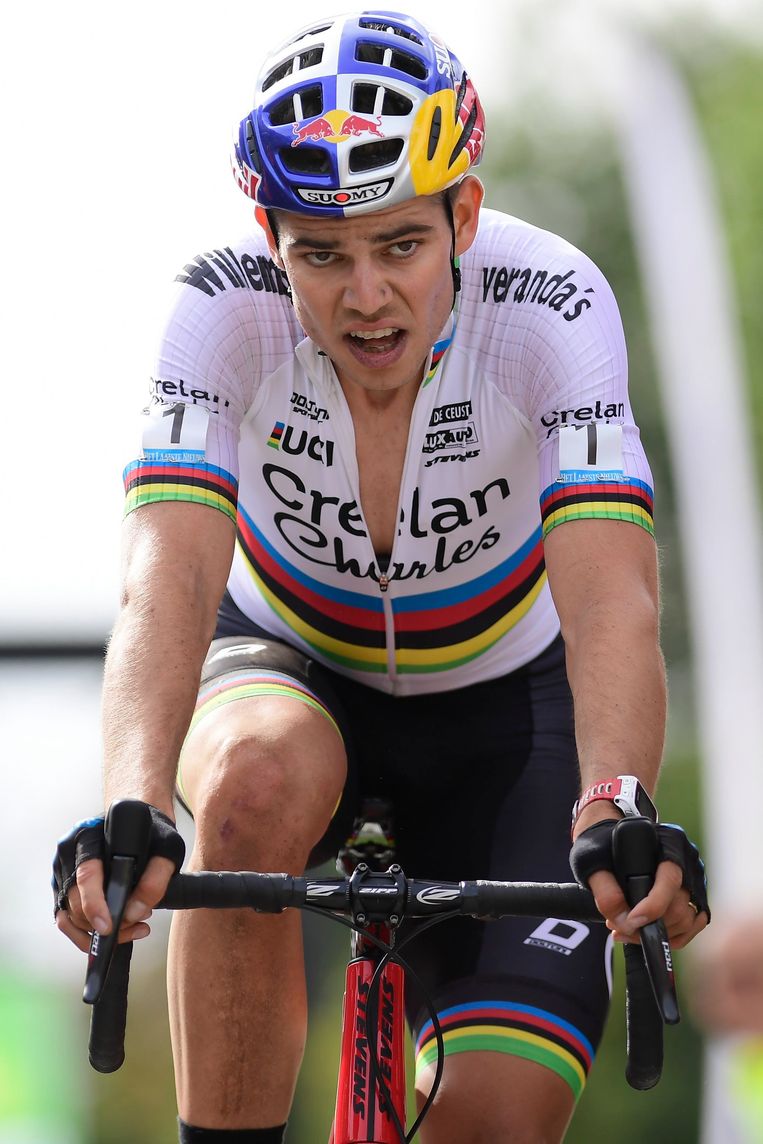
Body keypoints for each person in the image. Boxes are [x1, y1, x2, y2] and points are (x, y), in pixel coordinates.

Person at [53, 11, 710, 1142]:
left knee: (492, 1124)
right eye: (321, 254)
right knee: (251, 780)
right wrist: (135, 800)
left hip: (510, 711)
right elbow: (167, 570)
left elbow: (610, 589)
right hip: (288, 664)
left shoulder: (551, 304)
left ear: (465, 215)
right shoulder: (219, 309)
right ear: (270, 236)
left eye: (400, 245)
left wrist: (616, 801)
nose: (364, 296)